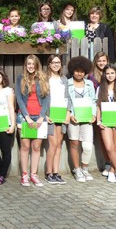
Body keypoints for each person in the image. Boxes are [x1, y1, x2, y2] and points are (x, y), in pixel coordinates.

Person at [16, 55, 50, 187]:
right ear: (26, 65)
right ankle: (24, 175)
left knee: (36, 147)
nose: (30, 66)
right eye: (28, 64)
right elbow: (19, 99)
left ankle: (34, 175)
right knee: (25, 147)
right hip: (24, 117)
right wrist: (27, 117)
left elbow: (47, 98)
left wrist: (42, 117)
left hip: (40, 118)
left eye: (33, 64)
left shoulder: (43, 78)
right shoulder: (21, 78)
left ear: (37, 65)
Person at [96, 65, 116, 184]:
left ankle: (111, 171)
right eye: (108, 73)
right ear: (104, 75)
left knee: (115, 147)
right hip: (105, 121)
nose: (110, 75)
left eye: (112, 73)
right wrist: (99, 121)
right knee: (109, 147)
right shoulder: (100, 89)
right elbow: (98, 106)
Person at [66, 56, 97, 183]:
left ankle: (85, 168)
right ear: (72, 70)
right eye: (77, 70)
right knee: (74, 143)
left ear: (86, 72)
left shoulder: (89, 84)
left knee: (87, 146)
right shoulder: (67, 83)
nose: (79, 73)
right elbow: (66, 101)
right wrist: (70, 115)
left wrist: (93, 114)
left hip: (87, 118)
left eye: (82, 71)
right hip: (73, 118)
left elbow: (94, 101)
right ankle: (77, 169)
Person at [44, 54, 69, 185]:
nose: (56, 64)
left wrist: (68, 113)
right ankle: (48, 172)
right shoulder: (45, 79)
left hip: (61, 115)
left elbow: (68, 97)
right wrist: (44, 115)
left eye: (58, 62)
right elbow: (41, 98)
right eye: (53, 62)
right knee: (52, 144)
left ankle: (56, 172)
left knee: (59, 144)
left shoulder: (64, 79)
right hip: (50, 116)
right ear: (49, 64)